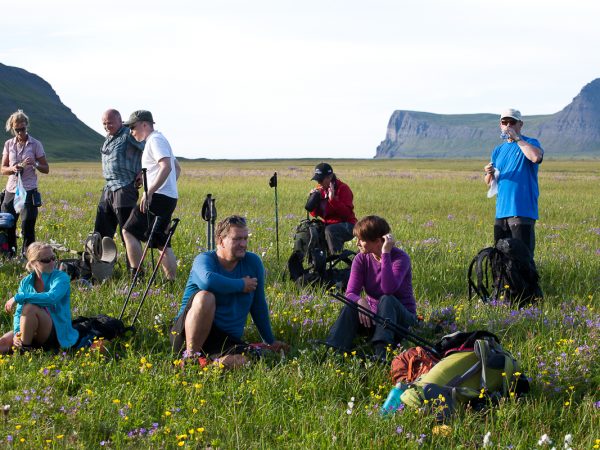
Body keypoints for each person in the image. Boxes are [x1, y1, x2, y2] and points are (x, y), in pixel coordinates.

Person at [170, 215, 287, 367]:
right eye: (237, 239)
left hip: (225, 340)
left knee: (244, 361)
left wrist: (270, 341)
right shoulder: (204, 260)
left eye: (245, 238)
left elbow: (258, 305)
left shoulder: (253, 262)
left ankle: (208, 366)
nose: (243, 244)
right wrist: (241, 285)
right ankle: (190, 358)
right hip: (187, 334)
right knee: (205, 297)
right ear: (220, 240)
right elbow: (208, 281)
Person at [325, 215, 417, 360]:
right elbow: (351, 292)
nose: (357, 244)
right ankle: (334, 349)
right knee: (351, 305)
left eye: (361, 240)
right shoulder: (361, 259)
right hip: (374, 318)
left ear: (378, 241)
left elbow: (388, 289)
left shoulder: (400, 259)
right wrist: (360, 301)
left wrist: (385, 254)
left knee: (387, 299)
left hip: (400, 322)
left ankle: (381, 353)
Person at [121, 110, 181, 280]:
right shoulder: (161, 140)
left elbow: (166, 166)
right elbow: (176, 169)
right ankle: (171, 281)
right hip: (167, 197)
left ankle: (137, 276)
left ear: (145, 124)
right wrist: (166, 186)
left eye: (133, 127)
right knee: (161, 241)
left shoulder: (155, 140)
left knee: (128, 231)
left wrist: (151, 191)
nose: (131, 131)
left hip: (158, 197)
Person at [484, 109, 543, 258]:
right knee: (501, 257)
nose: (508, 125)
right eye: (505, 122)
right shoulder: (498, 150)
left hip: (522, 211)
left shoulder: (530, 143)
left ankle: (525, 283)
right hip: (501, 212)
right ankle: (504, 282)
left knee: (523, 258)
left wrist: (517, 139)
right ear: (500, 125)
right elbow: (489, 182)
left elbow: (536, 157)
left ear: (520, 124)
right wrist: (489, 172)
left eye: (512, 122)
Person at [0, 242, 79, 354]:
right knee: (3, 342)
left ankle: (24, 351)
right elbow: (18, 312)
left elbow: (51, 298)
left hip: (56, 331)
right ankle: (24, 345)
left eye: (53, 258)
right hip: (30, 327)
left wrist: (19, 297)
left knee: (29, 308)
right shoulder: (26, 282)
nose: (52, 262)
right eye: (46, 260)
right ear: (33, 263)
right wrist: (17, 333)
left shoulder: (61, 277)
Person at [1, 110, 49, 255]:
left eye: (23, 128)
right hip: (11, 190)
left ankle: (28, 256)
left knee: (27, 225)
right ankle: (9, 253)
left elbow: (46, 168)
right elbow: (2, 169)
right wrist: (13, 168)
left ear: (26, 126)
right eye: (17, 130)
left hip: (29, 190)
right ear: (12, 128)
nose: (20, 132)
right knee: (7, 224)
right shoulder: (9, 144)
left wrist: (34, 164)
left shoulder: (35, 144)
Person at [94, 109, 144, 243]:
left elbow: (149, 150)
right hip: (108, 188)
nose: (106, 126)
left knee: (127, 232)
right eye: (104, 123)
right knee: (101, 232)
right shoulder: (109, 138)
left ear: (119, 120)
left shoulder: (129, 134)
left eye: (110, 123)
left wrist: (144, 172)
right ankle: (103, 263)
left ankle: (133, 264)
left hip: (125, 188)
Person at [305, 162, 357, 255]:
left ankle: (336, 259)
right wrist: (313, 200)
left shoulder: (343, 189)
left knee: (330, 230)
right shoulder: (320, 189)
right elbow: (315, 214)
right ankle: (316, 260)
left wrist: (333, 200)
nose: (319, 183)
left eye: (321, 180)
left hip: (349, 225)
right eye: (318, 180)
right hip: (328, 224)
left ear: (330, 177)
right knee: (311, 229)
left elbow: (346, 214)